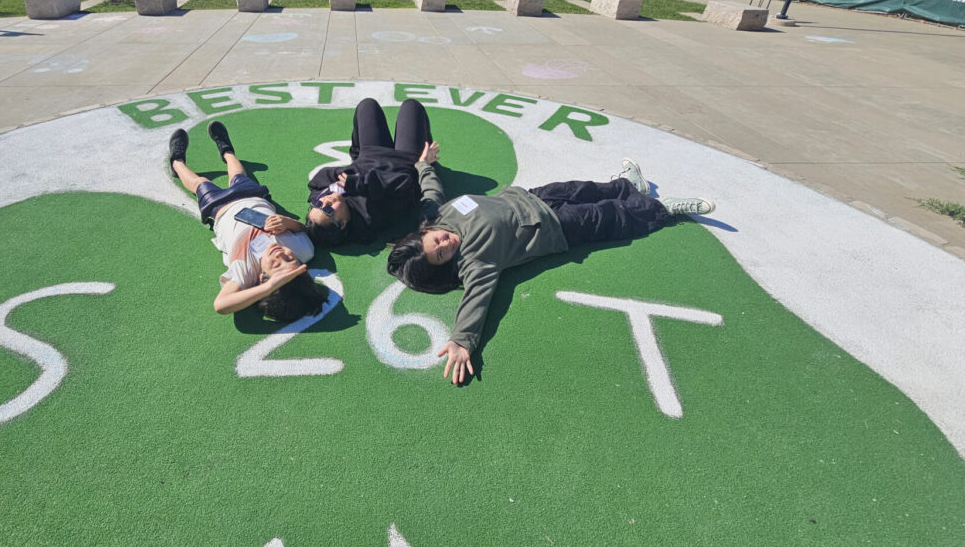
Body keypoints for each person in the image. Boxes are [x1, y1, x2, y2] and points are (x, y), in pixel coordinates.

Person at [386, 159, 715, 384]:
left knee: (585, 189)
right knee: (608, 216)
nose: (446, 243)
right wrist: (462, 340)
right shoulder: (474, 260)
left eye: (437, 241)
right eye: (442, 255)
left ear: (425, 232)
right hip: (555, 228)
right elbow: (477, 298)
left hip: (533, 196)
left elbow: (431, 190)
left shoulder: (436, 214)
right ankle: (662, 210)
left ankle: (628, 185)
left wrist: (423, 164)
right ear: (445, 266)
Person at [168, 121, 326, 322]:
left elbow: (221, 305)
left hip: (219, 208)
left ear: (262, 279)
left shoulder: (247, 271)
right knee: (237, 174)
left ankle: (177, 162)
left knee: (201, 183)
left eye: (276, 265)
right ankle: (226, 150)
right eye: (290, 259)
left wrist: (269, 288)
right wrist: (287, 223)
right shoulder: (304, 251)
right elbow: (303, 228)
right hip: (252, 197)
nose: (281, 255)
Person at [305, 98, 439, 248]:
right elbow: (403, 182)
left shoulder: (323, 197)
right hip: (406, 162)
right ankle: (430, 162)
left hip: (370, 155)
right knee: (411, 106)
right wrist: (361, 183)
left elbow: (318, 178)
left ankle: (356, 154)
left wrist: (353, 175)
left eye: (317, 204)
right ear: (342, 224)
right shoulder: (370, 217)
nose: (325, 201)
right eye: (328, 210)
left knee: (367, 105)